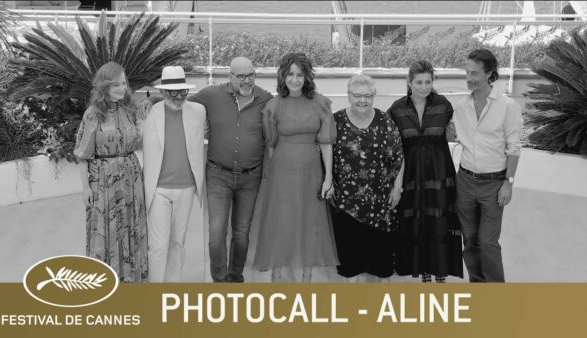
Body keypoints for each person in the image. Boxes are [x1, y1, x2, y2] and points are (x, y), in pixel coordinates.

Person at [139, 57, 273, 283]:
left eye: (250, 75)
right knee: (209, 236)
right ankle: (211, 283)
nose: (246, 80)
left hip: (242, 178)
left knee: (238, 234)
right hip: (207, 177)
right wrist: (151, 99)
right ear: (230, 76)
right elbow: (175, 100)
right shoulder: (208, 96)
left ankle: (232, 280)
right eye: (240, 75)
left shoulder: (264, 100)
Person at [252, 52, 338, 282]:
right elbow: (271, 145)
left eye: (300, 74)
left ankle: (306, 280)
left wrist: (328, 178)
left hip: (313, 173)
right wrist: (278, 170)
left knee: (311, 222)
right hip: (281, 173)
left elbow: (326, 142)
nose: (295, 79)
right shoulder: (273, 106)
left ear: (307, 76)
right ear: (282, 76)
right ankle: (277, 279)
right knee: (281, 222)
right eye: (290, 74)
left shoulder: (321, 103)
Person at [387, 60, 464, 283]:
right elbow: (391, 143)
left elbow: (452, 135)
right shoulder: (397, 108)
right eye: (418, 82)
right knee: (415, 222)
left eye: (428, 82)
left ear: (433, 82)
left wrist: (454, 134)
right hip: (409, 173)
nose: (423, 86)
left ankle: (440, 272)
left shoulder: (443, 104)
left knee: (438, 221)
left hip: (439, 172)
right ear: (409, 82)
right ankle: (424, 273)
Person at [453, 49, 523, 282]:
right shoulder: (461, 106)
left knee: (488, 242)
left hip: (493, 184)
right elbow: (453, 134)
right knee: (470, 239)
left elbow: (514, 148)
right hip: (464, 181)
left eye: (475, 73)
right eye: (467, 72)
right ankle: (478, 287)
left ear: (489, 74)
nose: (469, 78)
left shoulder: (507, 106)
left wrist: (508, 184)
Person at [74, 62, 148, 282]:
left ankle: (132, 281)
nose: (121, 88)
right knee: (106, 231)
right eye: (115, 84)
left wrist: (151, 102)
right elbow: (82, 155)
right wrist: (86, 188)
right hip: (104, 182)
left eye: (124, 83)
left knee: (131, 228)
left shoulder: (129, 110)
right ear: (104, 86)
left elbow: (139, 139)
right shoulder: (93, 114)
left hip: (132, 179)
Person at [329, 74, 404, 282]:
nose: (363, 100)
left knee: (381, 267)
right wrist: (329, 184)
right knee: (350, 266)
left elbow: (399, 155)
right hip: (345, 204)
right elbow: (324, 156)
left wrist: (397, 187)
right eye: (357, 95)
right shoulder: (335, 121)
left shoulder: (384, 121)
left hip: (380, 205)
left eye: (368, 96)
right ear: (348, 95)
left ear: (374, 96)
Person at [142, 66, 206, 282]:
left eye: (183, 91)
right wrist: (149, 101)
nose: (178, 96)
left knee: (178, 243)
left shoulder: (199, 112)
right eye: (172, 92)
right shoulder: (149, 112)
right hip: (158, 189)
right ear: (162, 92)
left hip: (187, 188)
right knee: (158, 246)